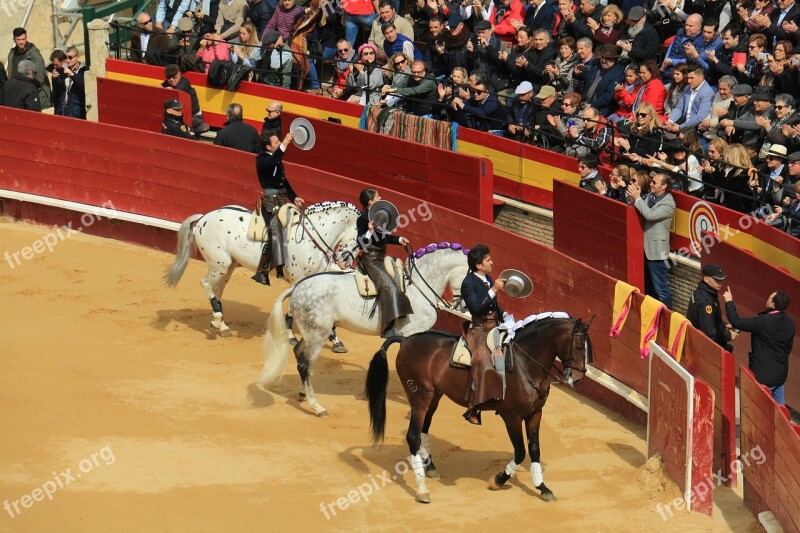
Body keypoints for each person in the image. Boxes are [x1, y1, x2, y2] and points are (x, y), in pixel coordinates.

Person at [460, 244, 509, 425]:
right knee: (483, 359)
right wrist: (494, 289)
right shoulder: (468, 283)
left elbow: (492, 305)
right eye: (488, 260)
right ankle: (474, 406)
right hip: (479, 330)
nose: (492, 262)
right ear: (479, 265)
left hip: (496, 325)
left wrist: (504, 314)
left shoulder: (487, 278)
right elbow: (475, 307)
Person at [355, 188, 413, 338]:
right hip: (371, 260)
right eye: (378, 196)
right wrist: (369, 231)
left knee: (398, 278)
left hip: (380, 257)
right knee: (390, 287)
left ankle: (399, 315)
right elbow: (361, 244)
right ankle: (387, 329)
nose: (381, 197)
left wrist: (399, 240)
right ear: (370, 202)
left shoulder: (378, 216)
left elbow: (384, 238)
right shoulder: (363, 219)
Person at [723, 287, 795, 404]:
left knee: (757, 409)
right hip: (780, 375)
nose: (766, 300)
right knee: (780, 412)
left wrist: (729, 301)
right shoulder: (790, 323)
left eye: (769, 299)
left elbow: (736, 321)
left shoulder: (763, 321)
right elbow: (787, 349)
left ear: (772, 304)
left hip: (763, 375)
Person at [252, 132, 305, 284]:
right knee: (274, 230)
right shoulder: (262, 159)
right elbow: (273, 161)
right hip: (270, 200)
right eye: (277, 142)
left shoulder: (275, 158)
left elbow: (283, 181)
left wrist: (294, 197)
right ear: (268, 146)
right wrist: (286, 144)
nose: (280, 142)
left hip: (281, 197)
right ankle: (262, 271)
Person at [628, 172, 676, 309]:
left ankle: (668, 318)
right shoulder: (651, 196)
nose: (651, 184)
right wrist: (634, 199)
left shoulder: (668, 203)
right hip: (643, 247)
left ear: (664, 186)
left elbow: (650, 215)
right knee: (649, 286)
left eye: (654, 182)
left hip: (657, 252)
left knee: (661, 288)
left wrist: (637, 199)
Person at [687, 264, 737, 351]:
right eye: (717, 280)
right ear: (706, 279)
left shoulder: (699, 292)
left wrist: (724, 325)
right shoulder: (706, 302)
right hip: (704, 347)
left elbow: (706, 320)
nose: (721, 283)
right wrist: (729, 335)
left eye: (721, 280)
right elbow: (710, 334)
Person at [7, 28, 50, 109]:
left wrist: (28, 91)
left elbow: (39, 79)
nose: (21, 42)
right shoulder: (12, 54)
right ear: (14, 40)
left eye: (23, 39)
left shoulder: (34, 55)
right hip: (18, 96)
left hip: (35, 95)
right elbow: (10, 74)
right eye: (18, 39)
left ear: (26, 38)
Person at [162, 63, 208, 133]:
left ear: (179, 74)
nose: (171, 80)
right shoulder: (168, 83)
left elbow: (177, 92)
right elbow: (158, 87)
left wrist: (167, 89)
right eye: (168, 78)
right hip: (181, 115)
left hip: (194, 117)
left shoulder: (184, 82)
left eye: (174, 77)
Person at [51, 47, 86, 119]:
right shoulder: (62, 69)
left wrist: (71, 73)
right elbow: (56, 92)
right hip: (62, 112)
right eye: (66, 58)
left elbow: (82, 86)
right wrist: (54, 79)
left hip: (77, 113)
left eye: (70, 57)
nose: (68, 60)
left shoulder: (83, 71)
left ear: (77, 57)